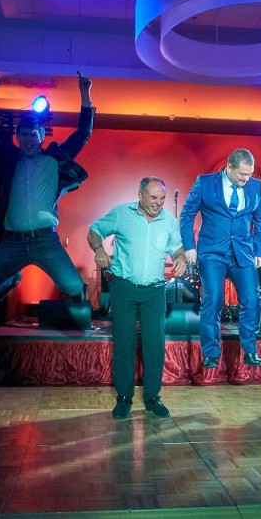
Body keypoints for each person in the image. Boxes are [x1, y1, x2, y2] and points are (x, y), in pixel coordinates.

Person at [0, 72, 94, 303]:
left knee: (74, 286)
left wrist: (85, 93)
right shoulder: (9, 159)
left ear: (42, 137)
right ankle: (12, 278)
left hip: (45, 241)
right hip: (12, 242)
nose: (28, 139)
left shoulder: (54, 160)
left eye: (33, 135)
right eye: (24, 135)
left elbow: (82, 134)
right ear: (17, 137)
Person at [88, 177, 187, 419]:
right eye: (153, 197)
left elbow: (176, 248)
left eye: (162, 198)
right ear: (140, 195)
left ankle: (152, 398)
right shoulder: (121, 214)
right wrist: (99, 249)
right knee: (124, 343)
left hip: (154, 291)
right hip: (124, 288)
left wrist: (180, 257)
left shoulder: (169, 221)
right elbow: (94, 231)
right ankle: (124, 398)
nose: (158, 203)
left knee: (155, 344)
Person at [180, 148, 261, 369]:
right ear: (229, 167)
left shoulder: (255, 186)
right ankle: (210, 352)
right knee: (214, 300)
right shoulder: (205, 183)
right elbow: (187, 215)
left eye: (249, 174)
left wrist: (260, 250)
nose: (246, 179)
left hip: (243, 253)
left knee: (252, 299)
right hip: (212, 253)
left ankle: (250, 350)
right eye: (242, 174)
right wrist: (189, 246)